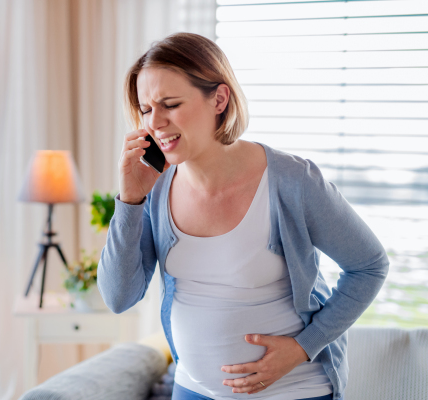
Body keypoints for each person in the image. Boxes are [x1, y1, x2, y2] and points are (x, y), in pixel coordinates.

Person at [97, 32, 389, 400]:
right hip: (191, 389)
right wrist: (129, 200)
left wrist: (303, 347)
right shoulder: (153, 188)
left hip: (294, 391)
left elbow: (370, 266)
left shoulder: (292, 181)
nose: (155, 122)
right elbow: (118, 297)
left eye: (170, 104)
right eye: (146, 109)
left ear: (219, 99)